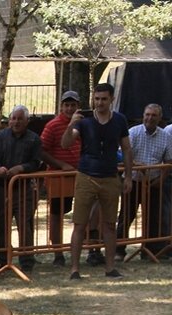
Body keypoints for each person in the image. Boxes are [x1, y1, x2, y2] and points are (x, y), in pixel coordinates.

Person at [62, 83, 135, 279]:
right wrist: (71, 124)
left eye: (103, 99)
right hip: (86, 176)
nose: (99, 102)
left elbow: (127, 149)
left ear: (111, 99)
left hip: (110, 178)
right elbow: (66, 143)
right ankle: (74, 269)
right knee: (79, 224)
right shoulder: (84, 121)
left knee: (110, 224)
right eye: (96, 99)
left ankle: (110, 267)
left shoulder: (119, 120)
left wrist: (128, 176)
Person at [0, 105, 43, 272]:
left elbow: (36, 162)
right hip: (0, 188)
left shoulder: (34, 139)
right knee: (1, 225)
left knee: (25, 224)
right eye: (13, 118)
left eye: (20, 119)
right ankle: (3, 259)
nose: (16, 122)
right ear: (9, 119)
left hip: (23, 188)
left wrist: (21, 168)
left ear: (27, 121)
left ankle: (27, 260)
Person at [116, 104, 172, 260]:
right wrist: (136, 168)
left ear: (160, 118)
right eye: (147, 114)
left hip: (154, 182)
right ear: (143, 115)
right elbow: (123, 157)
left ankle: (152, 250)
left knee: (155, 217)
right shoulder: (133, 132)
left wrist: (160, 179)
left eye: (154, 115)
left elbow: (168, 161)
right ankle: (119, 250)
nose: (150, 118)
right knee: (126, 217)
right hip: (133, 182)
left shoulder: (165, 136)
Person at [40, 90, 83, 266]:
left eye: (73, 105)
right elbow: (41, 150)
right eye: (67, 105)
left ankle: (89, 249)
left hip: (81, 175)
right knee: (57, 214)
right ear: (61, 106)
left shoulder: (84, 124)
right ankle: (58, 252)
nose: (70, 108)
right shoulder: (53, 125)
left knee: (83, 214)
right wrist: (60, 164)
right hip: (58, 176)